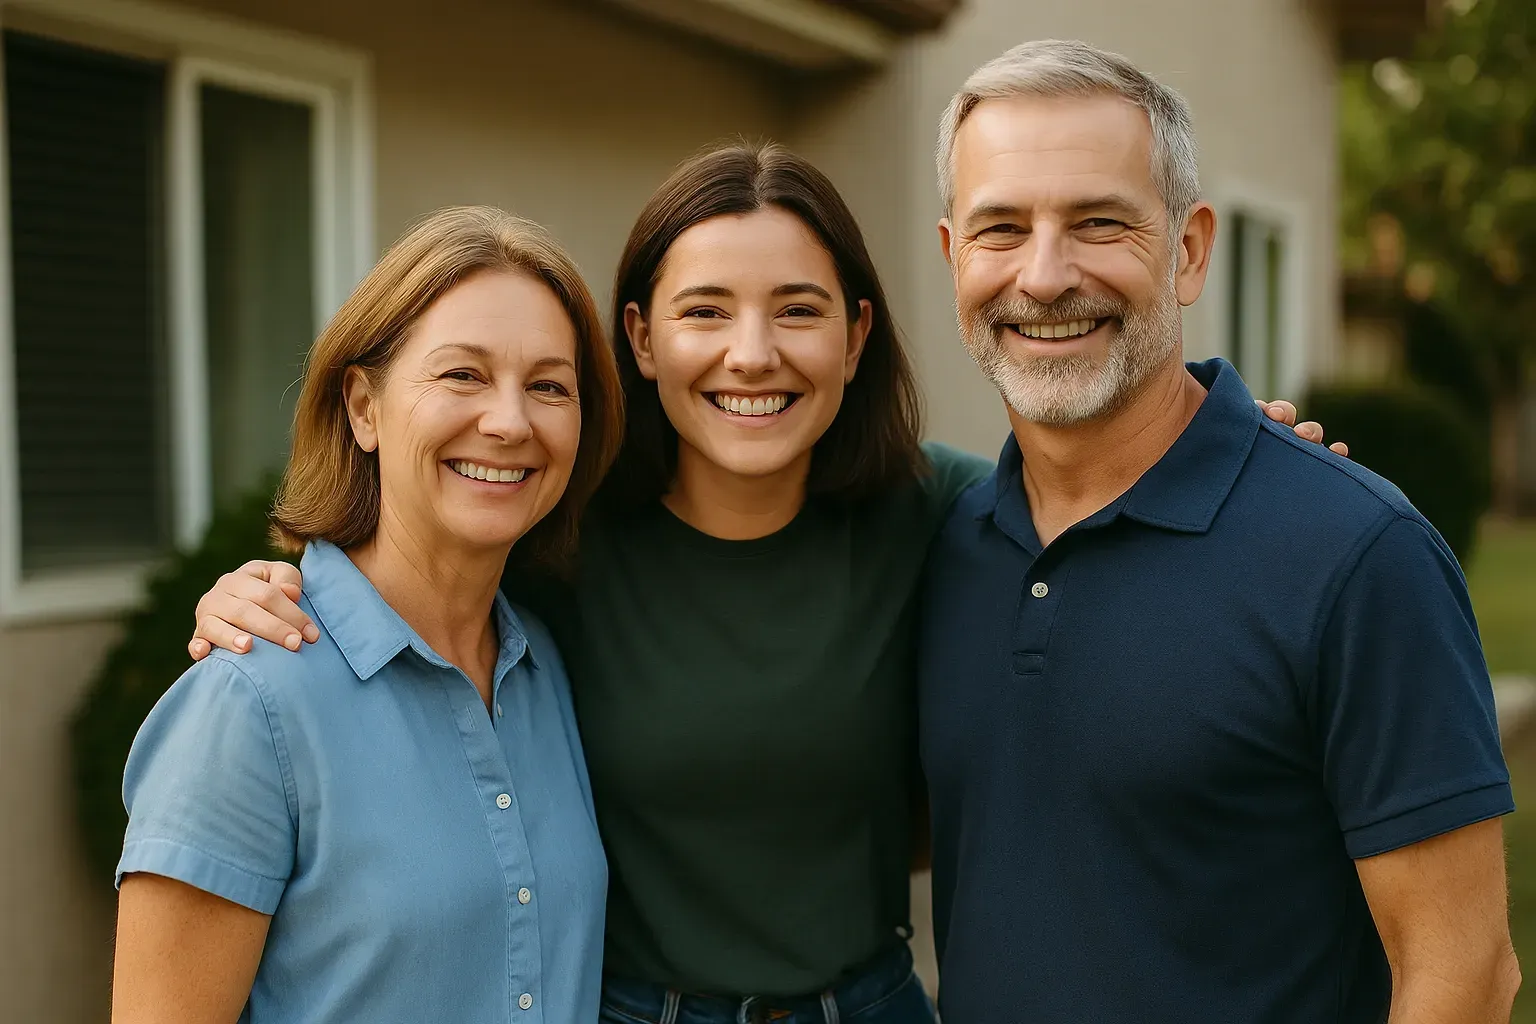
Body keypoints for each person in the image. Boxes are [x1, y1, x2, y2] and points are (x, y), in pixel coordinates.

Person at [179, 142, 1335, 1024]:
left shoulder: (941, 515)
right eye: (703, 311)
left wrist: (1263, 472)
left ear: (855, 333)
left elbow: (1119, 521)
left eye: (797, 311)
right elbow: (413, 559)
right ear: (637, 336)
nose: (752, 354)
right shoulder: (560, 530)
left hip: (871, 1002)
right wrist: (268, 596)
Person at [919, 39, 1519, 1023]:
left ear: (1189, 249)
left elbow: (1464, 972)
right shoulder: (946, 549)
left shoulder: (1357, 555)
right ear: (954, 258)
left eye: (1099, 222)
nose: (1043, 273)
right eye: (1001, 228)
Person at [111, 206, 624, 1024]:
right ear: (363, 407)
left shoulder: (547, 670)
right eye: (462, 374)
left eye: (549, 386)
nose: (509, 421)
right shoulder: (247, 704)